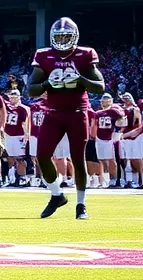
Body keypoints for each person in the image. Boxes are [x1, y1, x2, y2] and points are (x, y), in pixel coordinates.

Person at [28, 17, 104, 219]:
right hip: (53, 113)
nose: (62, 40)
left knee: (78, 159)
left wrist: (80, 80)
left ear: (75, 36)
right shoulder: (44, 55)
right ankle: (56, 194)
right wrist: (47, 85)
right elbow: (31, 90)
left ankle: (81, 205)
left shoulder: (85, 54)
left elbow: (99, 86)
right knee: (42, 156)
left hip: (78, 113)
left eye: (66, 36)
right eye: (59, 36)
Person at [91, 93, 123, 188]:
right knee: (101, 159)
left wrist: (118, 131)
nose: (103, 102)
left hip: (110, 137)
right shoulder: (98, 113)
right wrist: (93, 135)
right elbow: (95, 124)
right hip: (99, 137)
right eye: (103, 100)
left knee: (111, 159)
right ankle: (103, 179)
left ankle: (114, 179)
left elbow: (122, 120)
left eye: (106, 100)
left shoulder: (114, 111)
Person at [4, 89, 32, 187]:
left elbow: (25, 123)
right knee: (10, 157)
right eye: (11, 96)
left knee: (20, 158)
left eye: (14, 97)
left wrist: (26, 135)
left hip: (19, 135)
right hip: (8, 134)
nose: (12, 98)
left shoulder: (23, 109)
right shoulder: (6, 107)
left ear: (18, 97)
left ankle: (23, 177)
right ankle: (13, 178)